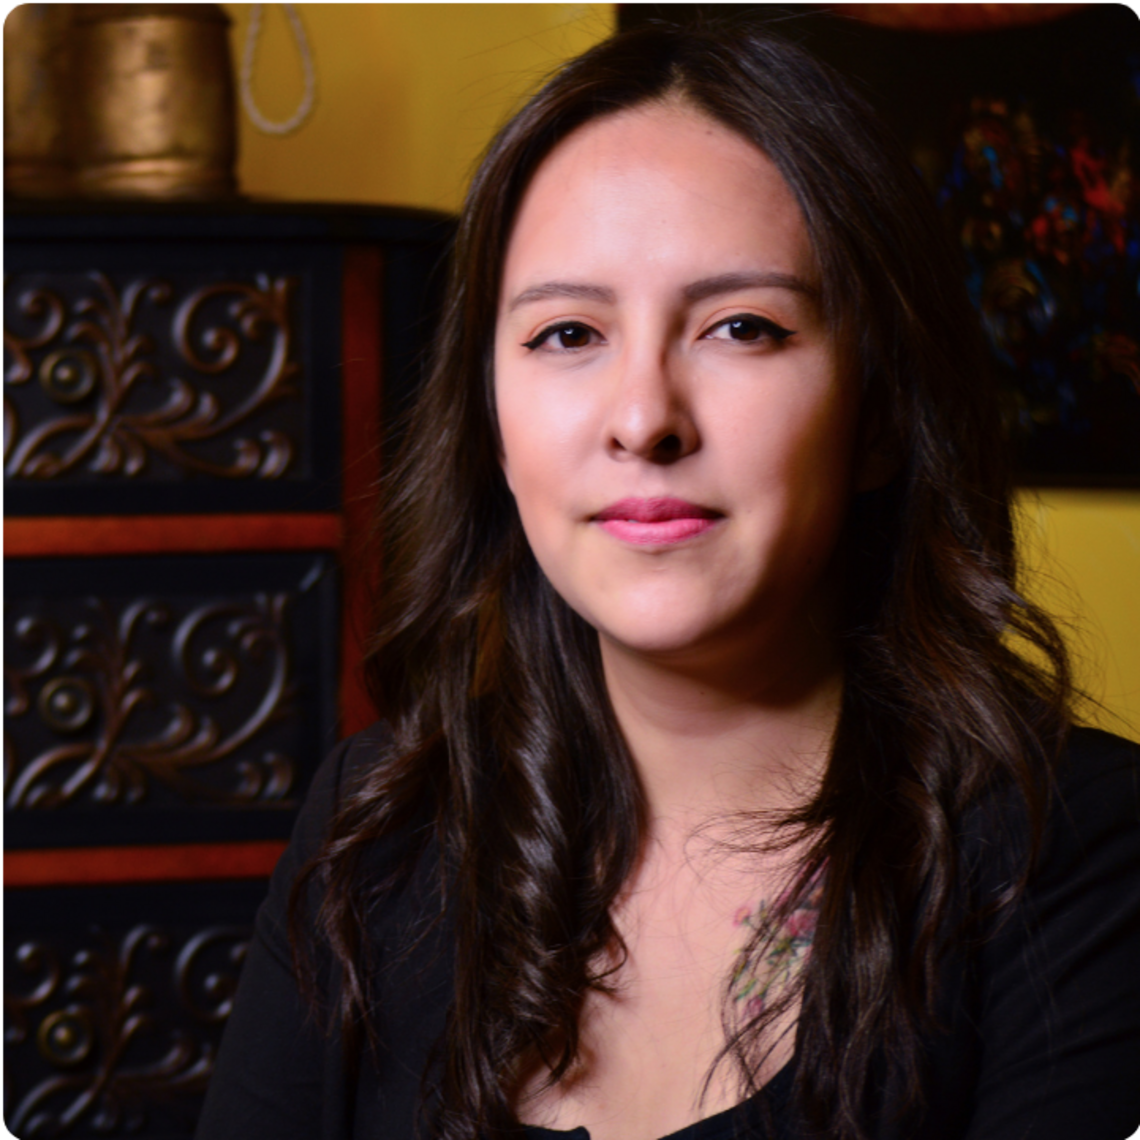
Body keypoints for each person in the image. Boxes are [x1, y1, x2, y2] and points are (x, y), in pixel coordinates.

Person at [195, 23, 1140, 1140]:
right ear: (490, 421)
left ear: (881, 413)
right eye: (566, 334)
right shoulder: (377, 828)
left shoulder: (1074, 853)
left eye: (743, 327)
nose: (644, 418)